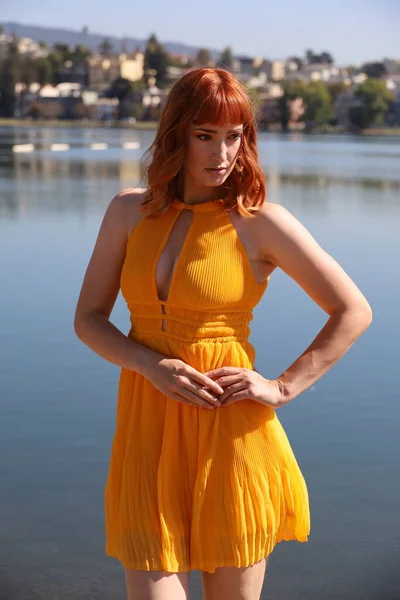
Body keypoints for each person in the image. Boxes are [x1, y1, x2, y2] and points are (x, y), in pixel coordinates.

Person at [74, 67, 373, 600]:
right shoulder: (127, 211)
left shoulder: (262, 222)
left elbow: (352, 310)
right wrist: (149, 364)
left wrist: (281, 388)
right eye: (205, 136)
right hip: (147, 433)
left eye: (234, 136)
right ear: (176, 135)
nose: (222, 153)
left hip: (230, 433)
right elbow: (89, 319)